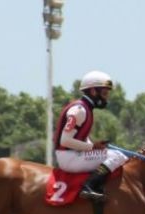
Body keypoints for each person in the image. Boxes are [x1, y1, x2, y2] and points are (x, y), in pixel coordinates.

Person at [53, 70, 129, 202]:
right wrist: (93, 147)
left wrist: (95, 146)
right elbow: (65, 141)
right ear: (93, 91)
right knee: (118, 156)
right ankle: (89, 186)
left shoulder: (85, 109)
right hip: (68, 158)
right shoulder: (80, 110)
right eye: (104, 93)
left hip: (72, 155)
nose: (106, 98)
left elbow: (80, 138)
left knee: (117, 154)